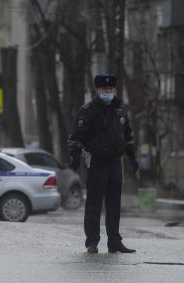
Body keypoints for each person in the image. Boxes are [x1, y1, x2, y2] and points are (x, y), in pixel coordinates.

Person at [67, 74, 139, 254]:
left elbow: (128, 136)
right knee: (94, 203)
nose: (108, 92)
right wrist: (74, 158)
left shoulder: (120, 111)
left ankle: (114, 241)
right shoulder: (88, 111)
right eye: (104, 90)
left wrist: (132, 156)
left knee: (114, 203)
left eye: (111, 89)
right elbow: (75, 137)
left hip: (115, 161)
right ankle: (92, 242)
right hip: (97, 161)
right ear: (97, 90)